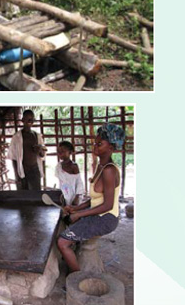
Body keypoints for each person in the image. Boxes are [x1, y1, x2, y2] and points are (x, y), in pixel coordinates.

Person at [57, 124, 125, 272]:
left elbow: (107, 205)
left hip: (106, 218)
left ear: (111, 148)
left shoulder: (109, 170)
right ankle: (76, 258)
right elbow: (94, 200)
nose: (95, 146)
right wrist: (76, 208)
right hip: (98, 212)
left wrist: (80, 214)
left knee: (62, 242)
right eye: (95, 142)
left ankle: (77, 277)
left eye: (99, 144)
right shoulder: (100, 166)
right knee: (70, 220)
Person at [8, 109, 46, 190]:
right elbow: (13, 158)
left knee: (36, 195)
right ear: (22, 120)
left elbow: (42, 155)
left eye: (31, 119)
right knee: (23, 196)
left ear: (33, 121)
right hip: (22, 170)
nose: (29, 121)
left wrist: (39, 151)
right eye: (27, 119)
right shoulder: (16, 137)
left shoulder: (37, 136)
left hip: (35, 170)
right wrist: (17, 175)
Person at [55, 140, 85, 207]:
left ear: (70, 152)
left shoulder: (74, 166)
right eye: (58, 151)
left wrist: (77, 197)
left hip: (73, 195)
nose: (60, 153)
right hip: (63, 194)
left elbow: (79, 182)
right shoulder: (59, 166)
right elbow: (60, 182)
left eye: (62, 152)